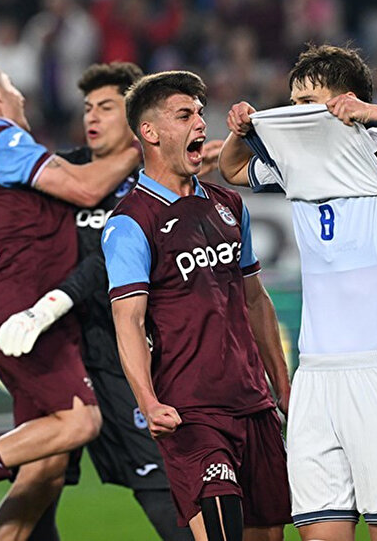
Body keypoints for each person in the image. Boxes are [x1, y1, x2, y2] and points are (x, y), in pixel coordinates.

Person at [219, 43, 377, 541]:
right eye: (292, 103)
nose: (296, 115)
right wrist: (240, 131)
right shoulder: (294, 163)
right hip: (315, 380)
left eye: (308, 103)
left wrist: (369, 112)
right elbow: (231, 170)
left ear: (343, 101)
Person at [0, 56, 140, 539]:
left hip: (17, 309)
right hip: (25, 315)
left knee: (44, 469)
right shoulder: (2, 140)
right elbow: (88, 189)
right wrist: (148, 146)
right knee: (81, 422)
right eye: (10, 84)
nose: (20, 95)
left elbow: (21, 242)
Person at [102, 70, 292, 541]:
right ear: (150, 132)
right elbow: (128, 321)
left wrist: (282, 387)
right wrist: (147, 401)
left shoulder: (230, 204)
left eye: (200, 114)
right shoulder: (130, 223)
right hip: (191, 412)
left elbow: (256, 301)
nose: (200, 125)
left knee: (267, 535)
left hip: (254, 404)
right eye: (184, 115)